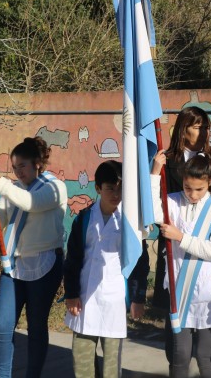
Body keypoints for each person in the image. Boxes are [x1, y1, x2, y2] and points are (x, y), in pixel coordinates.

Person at [0, 136, 67, 378]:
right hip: (14, 265)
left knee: (36, 325)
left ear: (37, 163)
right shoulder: (13, 189)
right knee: (2, 326)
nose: (18, 172)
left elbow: (31, 203)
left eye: (23, 166)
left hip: (44, 264)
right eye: (14, 167)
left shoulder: (55, 187)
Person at [63, 160, 149, 378]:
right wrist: (71, 294)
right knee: (82, 362)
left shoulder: (131, 222)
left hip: (115, 301)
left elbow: (140, 262)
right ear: (98, 188)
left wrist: (138, 298)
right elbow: (72, 259)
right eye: (110, 188)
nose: (116, 194)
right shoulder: (84, 219)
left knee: (111, 367)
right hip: (85, 299)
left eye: (121, 188)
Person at [151, 151, 211, 378]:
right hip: (180, 291)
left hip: (209, 294)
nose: (193, 194)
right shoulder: (172, 201)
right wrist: (155, 173)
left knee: (207, 356)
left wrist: (180, 237)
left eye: (199, 189)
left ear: (210, 182)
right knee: (180, 355)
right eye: (188, 188)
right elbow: (153, 213)